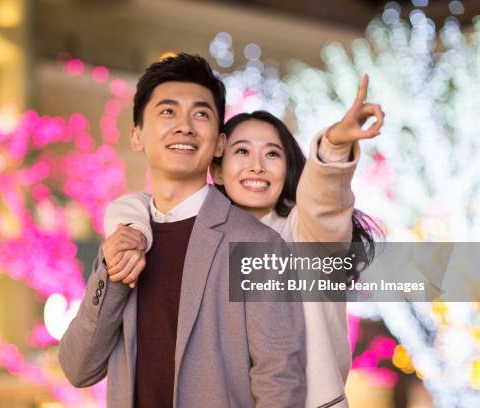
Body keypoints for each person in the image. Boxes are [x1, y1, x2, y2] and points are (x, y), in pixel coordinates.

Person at [103, 74, 384, 408]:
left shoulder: (305, 234)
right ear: (218, 170)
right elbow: (139, 206)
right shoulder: (201, 238)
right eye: (242, 151)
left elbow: (325, 202)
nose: (256, 166)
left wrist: (335, 147)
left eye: (272, 155)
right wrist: (133, 230)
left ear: (288, 168)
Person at [58, 53, 307, 408]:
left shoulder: (258, 245)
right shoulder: (123, 239)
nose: (185, 126)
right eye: (168, 112)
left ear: (219, 144)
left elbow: (280, 381)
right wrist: (111, 276)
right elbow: (77, 368)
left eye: (201, 114)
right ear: (137, 136)